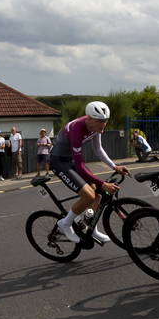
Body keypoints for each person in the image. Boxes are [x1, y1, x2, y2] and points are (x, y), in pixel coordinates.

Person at [49, 102, 130, 245]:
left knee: (98, 195)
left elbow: (97, 149)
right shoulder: (77, 130)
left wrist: (114, 166)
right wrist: (103, 184)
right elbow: (80, 168)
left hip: (72, 160)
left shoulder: (94, 127)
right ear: (90, 119)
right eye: (100, 121)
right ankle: (65, 223)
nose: (104, 124)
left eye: (105, 120)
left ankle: (92, 229)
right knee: (88, 195)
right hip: (59, 162)